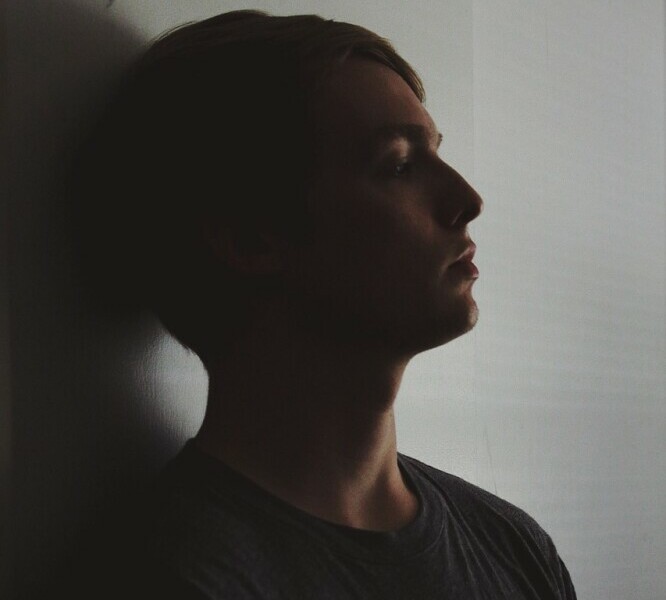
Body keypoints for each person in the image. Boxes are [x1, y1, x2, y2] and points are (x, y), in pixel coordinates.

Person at [76, 9, 577, 599]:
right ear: (251, 239)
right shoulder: (171, 577)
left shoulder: (510, 545)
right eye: (398, 165)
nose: (467, 199)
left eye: (436, 153)